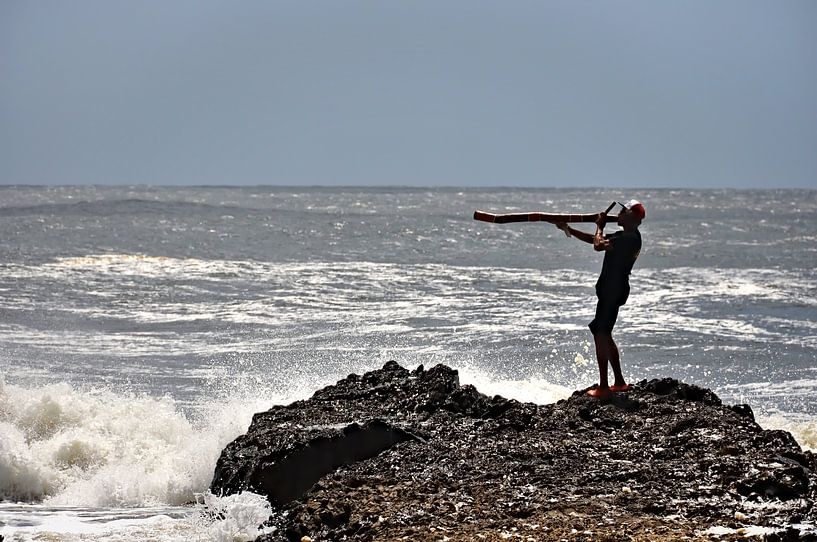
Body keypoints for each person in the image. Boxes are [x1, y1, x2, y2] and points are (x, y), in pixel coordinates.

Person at [555, 200, 645, 398]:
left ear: (632, 217)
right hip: (614, 289)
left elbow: (598, 244)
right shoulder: (628, 236)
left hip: (613, 290)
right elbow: (594, 240)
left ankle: (604, 386)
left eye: (623, 211)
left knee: (601, 335)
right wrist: (568, 229)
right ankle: (619, 382)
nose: (619, 214)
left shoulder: (629, 239)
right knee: (604, 332)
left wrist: (599, 225)